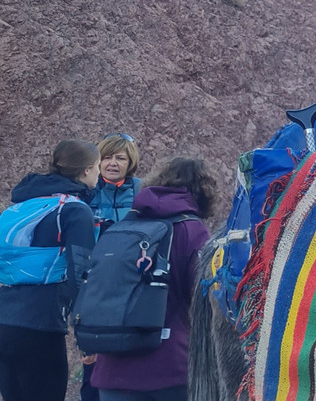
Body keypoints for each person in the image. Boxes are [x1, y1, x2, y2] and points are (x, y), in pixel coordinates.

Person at [90, 157, 216, 401]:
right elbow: (204, 296)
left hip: (113, 368)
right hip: (171, 369)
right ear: (204, 193)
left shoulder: (125, 224)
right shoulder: (192, 230)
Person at [0, 139, 100, 401]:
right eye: (98, 167)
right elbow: (81, 274)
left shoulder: (24, 203)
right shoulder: (75, 211)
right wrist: (86, 336)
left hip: (5, 319)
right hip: (41, 325)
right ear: (87, 170)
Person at [81, 132, 143, 401]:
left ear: (131, 162)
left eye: (120, 158)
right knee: (92, 360)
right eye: (107, 157)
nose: (113, 163)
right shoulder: (86, 192)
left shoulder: (143, 192)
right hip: (94, 283)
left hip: (132, 282)